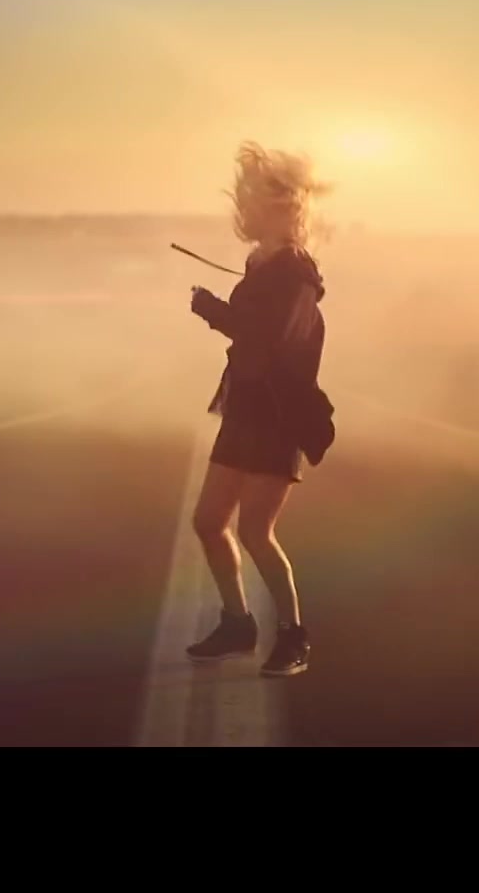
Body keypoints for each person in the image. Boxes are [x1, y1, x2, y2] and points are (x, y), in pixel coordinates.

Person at [184, 141, 336, 677]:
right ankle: (237, 624)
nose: (250, 209)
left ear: (287, 210)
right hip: (246, 409)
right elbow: (256, 335)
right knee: (209, 522)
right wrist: (221, 309)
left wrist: (213, 310)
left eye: (262, 201)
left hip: (278, 415)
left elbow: (274, 338)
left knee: (254, 531)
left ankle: (293, 636)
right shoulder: (263, 264)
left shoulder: (295, 272)